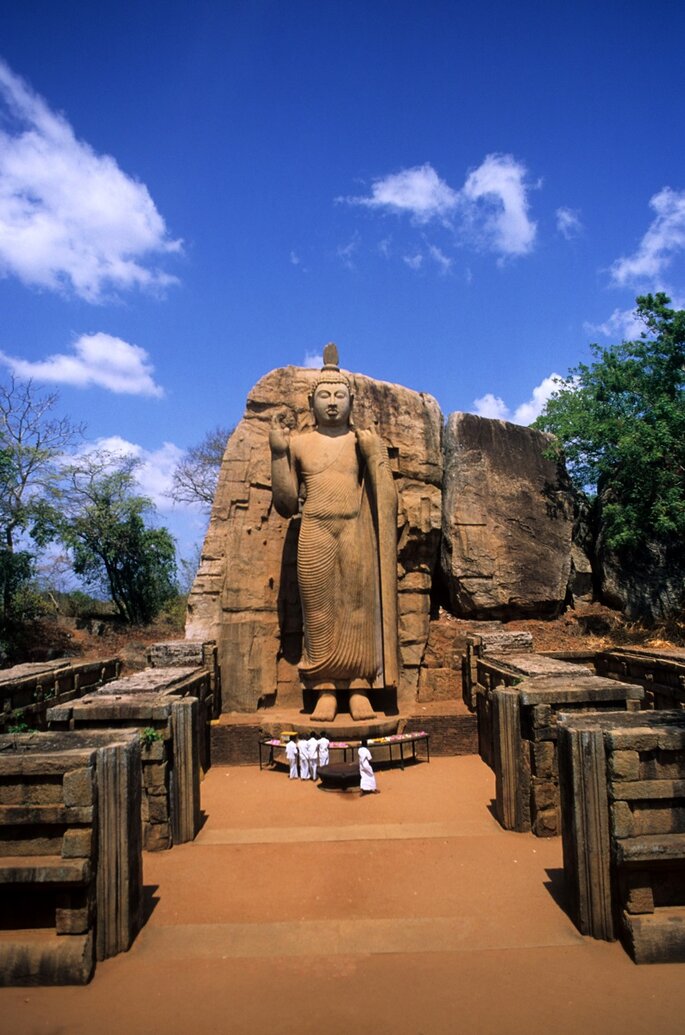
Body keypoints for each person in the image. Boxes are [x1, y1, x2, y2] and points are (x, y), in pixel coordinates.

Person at [269, 344, 398, 724]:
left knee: (359, 611)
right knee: (319, 612)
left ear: (351, 401)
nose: (331, 402)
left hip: (356, 530)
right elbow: (287, 504)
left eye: (339, 395)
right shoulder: (300, 444)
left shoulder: (361, 442)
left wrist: (375, 454)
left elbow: (385, 495)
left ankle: (359, 687)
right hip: (316, 529)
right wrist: (279, 455)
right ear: (311, 400)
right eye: (324, 395)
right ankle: (323, 688)